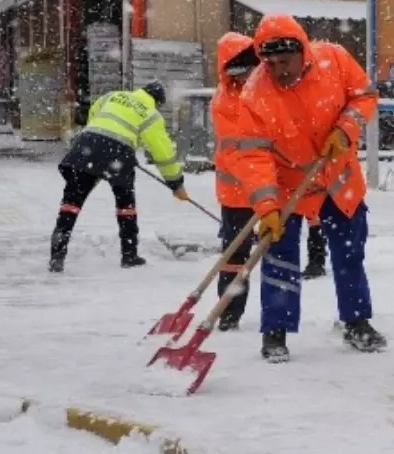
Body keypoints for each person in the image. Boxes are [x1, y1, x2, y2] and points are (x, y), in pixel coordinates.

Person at [233, 14, 386, 362]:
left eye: (285, 61)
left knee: (349, 254)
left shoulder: (334, 59)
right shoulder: (255, 94)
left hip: (337, 177)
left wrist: (346, 128)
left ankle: (357, 322)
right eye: (269, 62)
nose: (278, 70)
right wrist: (267, 208)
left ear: (303, 51)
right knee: (279, 257)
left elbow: (364, 97)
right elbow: (254, 157)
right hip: (288, 185)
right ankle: (275, 331)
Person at [49, 81, 189, 273]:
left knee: (70, 204)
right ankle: (129, 255)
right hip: (118, 153)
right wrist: (175, 183)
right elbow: (162, 152)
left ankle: (56, 257)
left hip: (86, 145)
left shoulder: (113, 95)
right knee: (125, 205)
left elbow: (95, 116)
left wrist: (101, 151)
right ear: (157, 102)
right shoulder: (151, 114)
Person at [210, 32, 261, 331]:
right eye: (240, 70)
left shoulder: (259, 91)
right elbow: (239, 151)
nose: (247, 75)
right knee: (235, 256)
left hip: (265, 186)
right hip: (237, 192)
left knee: (276, 249)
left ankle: (277, 319)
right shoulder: (225, 102)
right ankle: (229, 313)